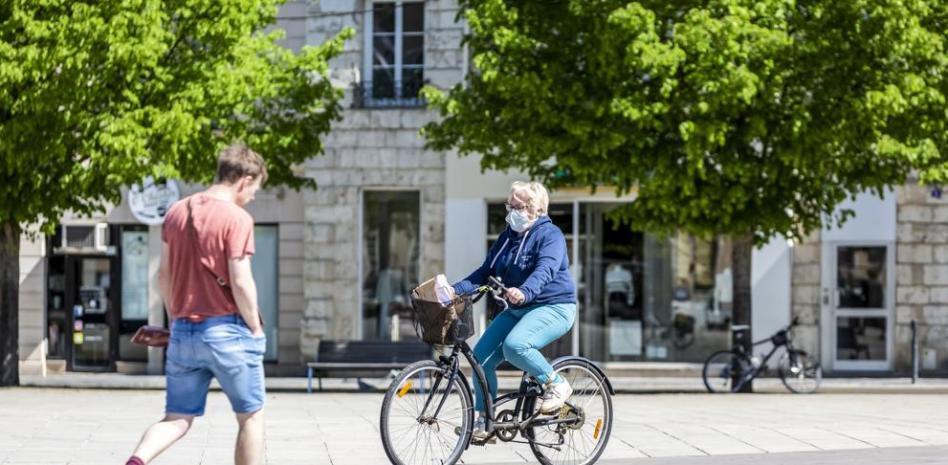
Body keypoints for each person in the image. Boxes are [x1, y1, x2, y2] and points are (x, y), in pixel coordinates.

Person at [125, 144, 268, 465]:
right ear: (244, 179)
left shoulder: (176, 212)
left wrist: (178, 321)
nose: (253, 196)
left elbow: (162, 275)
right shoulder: (237, 218)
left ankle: (135, 461)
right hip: (228, 332)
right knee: (251, 417)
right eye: (255, 189)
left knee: (176, 418)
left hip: (184, 332)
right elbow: (241, 281)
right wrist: (256, 329)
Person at [452, 181, 577, 442]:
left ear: (537, 209)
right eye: (509, 205)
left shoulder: (550, 235)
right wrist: (455, 290)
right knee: (480, 359)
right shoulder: (508, 236)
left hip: (554, 306)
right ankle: (485, 420)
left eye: (517, 206)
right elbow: (485, 272)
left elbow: (546, 269)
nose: (511, 211)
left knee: (515, 346)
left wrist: (526, 291)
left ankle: (556, 384)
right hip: (519, 308)